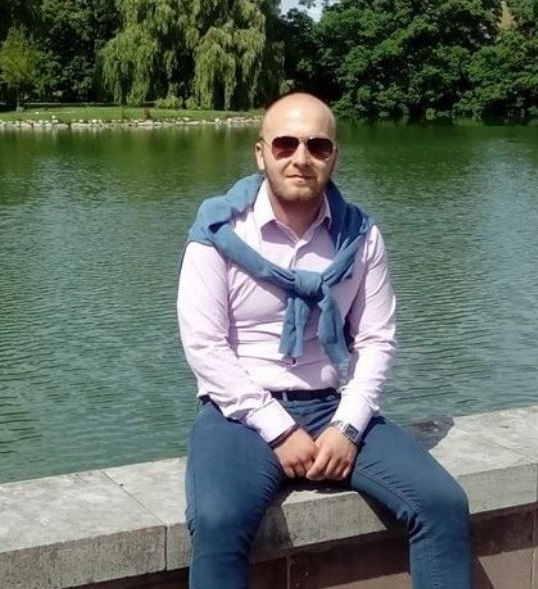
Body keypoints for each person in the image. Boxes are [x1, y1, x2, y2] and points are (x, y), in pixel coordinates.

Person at [177, 93, 472, 589]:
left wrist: (348, 427)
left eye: (317, 146)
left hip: (329, 405)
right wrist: (278, 429)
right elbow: (205, 347)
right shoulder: (218, 231)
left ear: (334, 156)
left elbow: (377, 340)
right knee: (218, 521)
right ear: (260, 153)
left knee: (443, 504)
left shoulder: (361, 236)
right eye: (285, 144)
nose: (301, 158)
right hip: (238, 414)